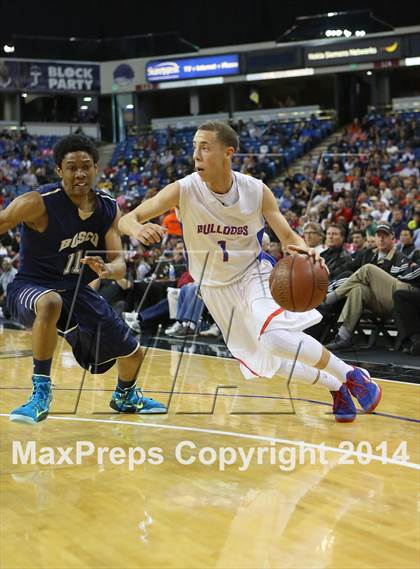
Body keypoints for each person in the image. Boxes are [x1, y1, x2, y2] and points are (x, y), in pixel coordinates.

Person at [118, 120, 381, 423]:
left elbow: (288, 237)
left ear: (228, 152)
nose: (196, 155)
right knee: (267, 362)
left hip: (252, 274)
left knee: (272, 337)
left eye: (205, 147)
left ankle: (352, 375)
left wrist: (302, 249)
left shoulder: (256, 190)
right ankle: (336, 386)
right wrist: (137, 229)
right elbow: (128, 218)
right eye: (194, 147)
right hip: (215, 288)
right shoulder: (184, 190)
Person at [0, 134, 165, 424]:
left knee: (133, 354)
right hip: (30, 288)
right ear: (58, 171)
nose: (80, 173)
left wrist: (106, 270)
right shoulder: (36, 203)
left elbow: (119, 264)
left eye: (86, 166)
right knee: (50, 302)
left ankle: (125, 395)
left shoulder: (107, 207)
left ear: (96, 168)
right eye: (72, 167)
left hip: (76, 291)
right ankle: (41, 392)